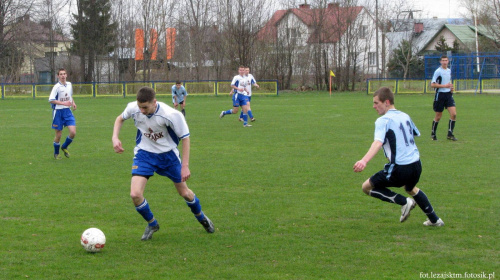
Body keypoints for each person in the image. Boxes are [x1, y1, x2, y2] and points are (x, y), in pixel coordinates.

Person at [112, 87, 215, 241]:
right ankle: (152, 224)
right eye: (140, 107)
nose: (142, 110)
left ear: (155, 102)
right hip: (144, 154)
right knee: (135, 194)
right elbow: (120, 118)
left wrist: (185, 166)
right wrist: (115, 137)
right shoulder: (134, 108)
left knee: (184, 193)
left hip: (168, 157)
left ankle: (201, 217)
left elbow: (185, 138)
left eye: (145, 107)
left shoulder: (172, 115)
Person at [353, 87, 444, 227]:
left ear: (387, 102)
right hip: (416, 165)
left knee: (366, 187)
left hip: (401, 167)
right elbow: (414, 133)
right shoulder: (405, 115)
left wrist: (364, 160)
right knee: (410, 188)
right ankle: (434, 220)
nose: (374, 106)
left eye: (376, 103)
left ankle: (404, 202)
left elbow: (378, 142)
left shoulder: (383, 120)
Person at [49, 68, 77, 160]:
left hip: (67, 111)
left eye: (64, 74)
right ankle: (56, 153)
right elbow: (51, 100)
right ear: (58, 76)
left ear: (66, 75)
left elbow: (69, 96)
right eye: (61, 74)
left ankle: (64, 147)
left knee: (73, 132)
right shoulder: (56, 87)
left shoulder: (69, 84)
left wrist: (73, 103)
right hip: (58, 112)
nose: (63, 76)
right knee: (58, 135)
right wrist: (63, 103)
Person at [430, 55, 457, 141]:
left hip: (448, 95)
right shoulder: (438, 71)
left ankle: (450, 134)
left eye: (446, 60)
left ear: (448, 61)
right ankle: (433, 134)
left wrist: (450, 88)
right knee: (438, 116)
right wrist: (444, 86)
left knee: (454, 114)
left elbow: (448, 82)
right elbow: (432, 84)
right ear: (440, 62)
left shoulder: (449, 71)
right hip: (440, 95)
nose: (444, 62)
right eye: (443, 60)